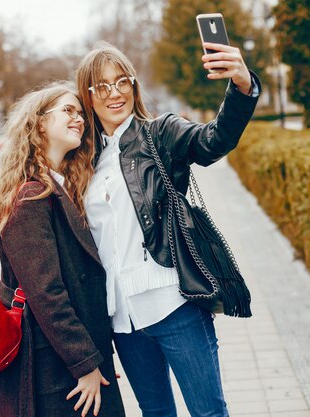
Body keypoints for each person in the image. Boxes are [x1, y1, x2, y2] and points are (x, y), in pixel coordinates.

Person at [75, 41, 260, 417]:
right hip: (122, 319)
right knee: (155, 413)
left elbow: (213, 141)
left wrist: (242, 85)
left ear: (134, 86)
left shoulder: (159, 134)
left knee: (208, 412)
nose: (115, 93)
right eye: (102, 86)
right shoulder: (82, 160)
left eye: (122, 81)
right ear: (87, 96)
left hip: (174, 304)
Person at [0, 81, 125, 417]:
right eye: (68, 111)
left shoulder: (57, 188)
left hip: (65, 363)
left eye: (81, 114)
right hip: (51, 370)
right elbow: (47, 294)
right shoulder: (30, 198)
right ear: (41, 122)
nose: (79, 119)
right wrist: (85, 363)